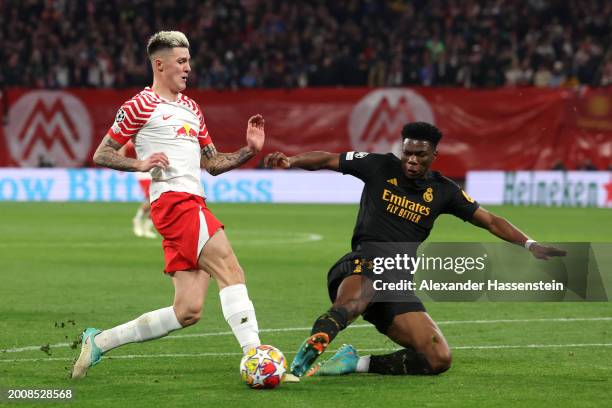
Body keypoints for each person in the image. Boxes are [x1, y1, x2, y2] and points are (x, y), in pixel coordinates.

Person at [264, 122, 567, 378]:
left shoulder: (444, 191)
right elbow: (329, 160)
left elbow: (489, 220)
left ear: (434, 155)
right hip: (362, 264)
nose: (410, 160)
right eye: (406, 152)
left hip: (396, 283)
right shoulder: (379, 165)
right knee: (356, 299)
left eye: (419, 155)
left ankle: (355, 363)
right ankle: (307, 354)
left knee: (437, 358)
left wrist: (530, 244)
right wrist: (291, 161)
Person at [71, 31, 265, 379]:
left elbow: (214, 163)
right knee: (231, 269)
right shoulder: (139, 105)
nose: (188, 67)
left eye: (188, 61)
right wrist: (139, 165)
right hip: (174, 203)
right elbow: (102, 153)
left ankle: (99, 341)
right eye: (181, 61)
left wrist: (249, 151)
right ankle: (256, 357)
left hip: (192, 199)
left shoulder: (192, 108)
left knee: (188, 310)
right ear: (159, 64)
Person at [119, 140, 156, 238]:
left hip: (159, 169)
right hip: (145, 172)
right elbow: (123, 144)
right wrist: (121, 162)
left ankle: (147, 227)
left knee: (160, 200)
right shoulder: (140, 133)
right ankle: (137, 220)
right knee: (152, 198)